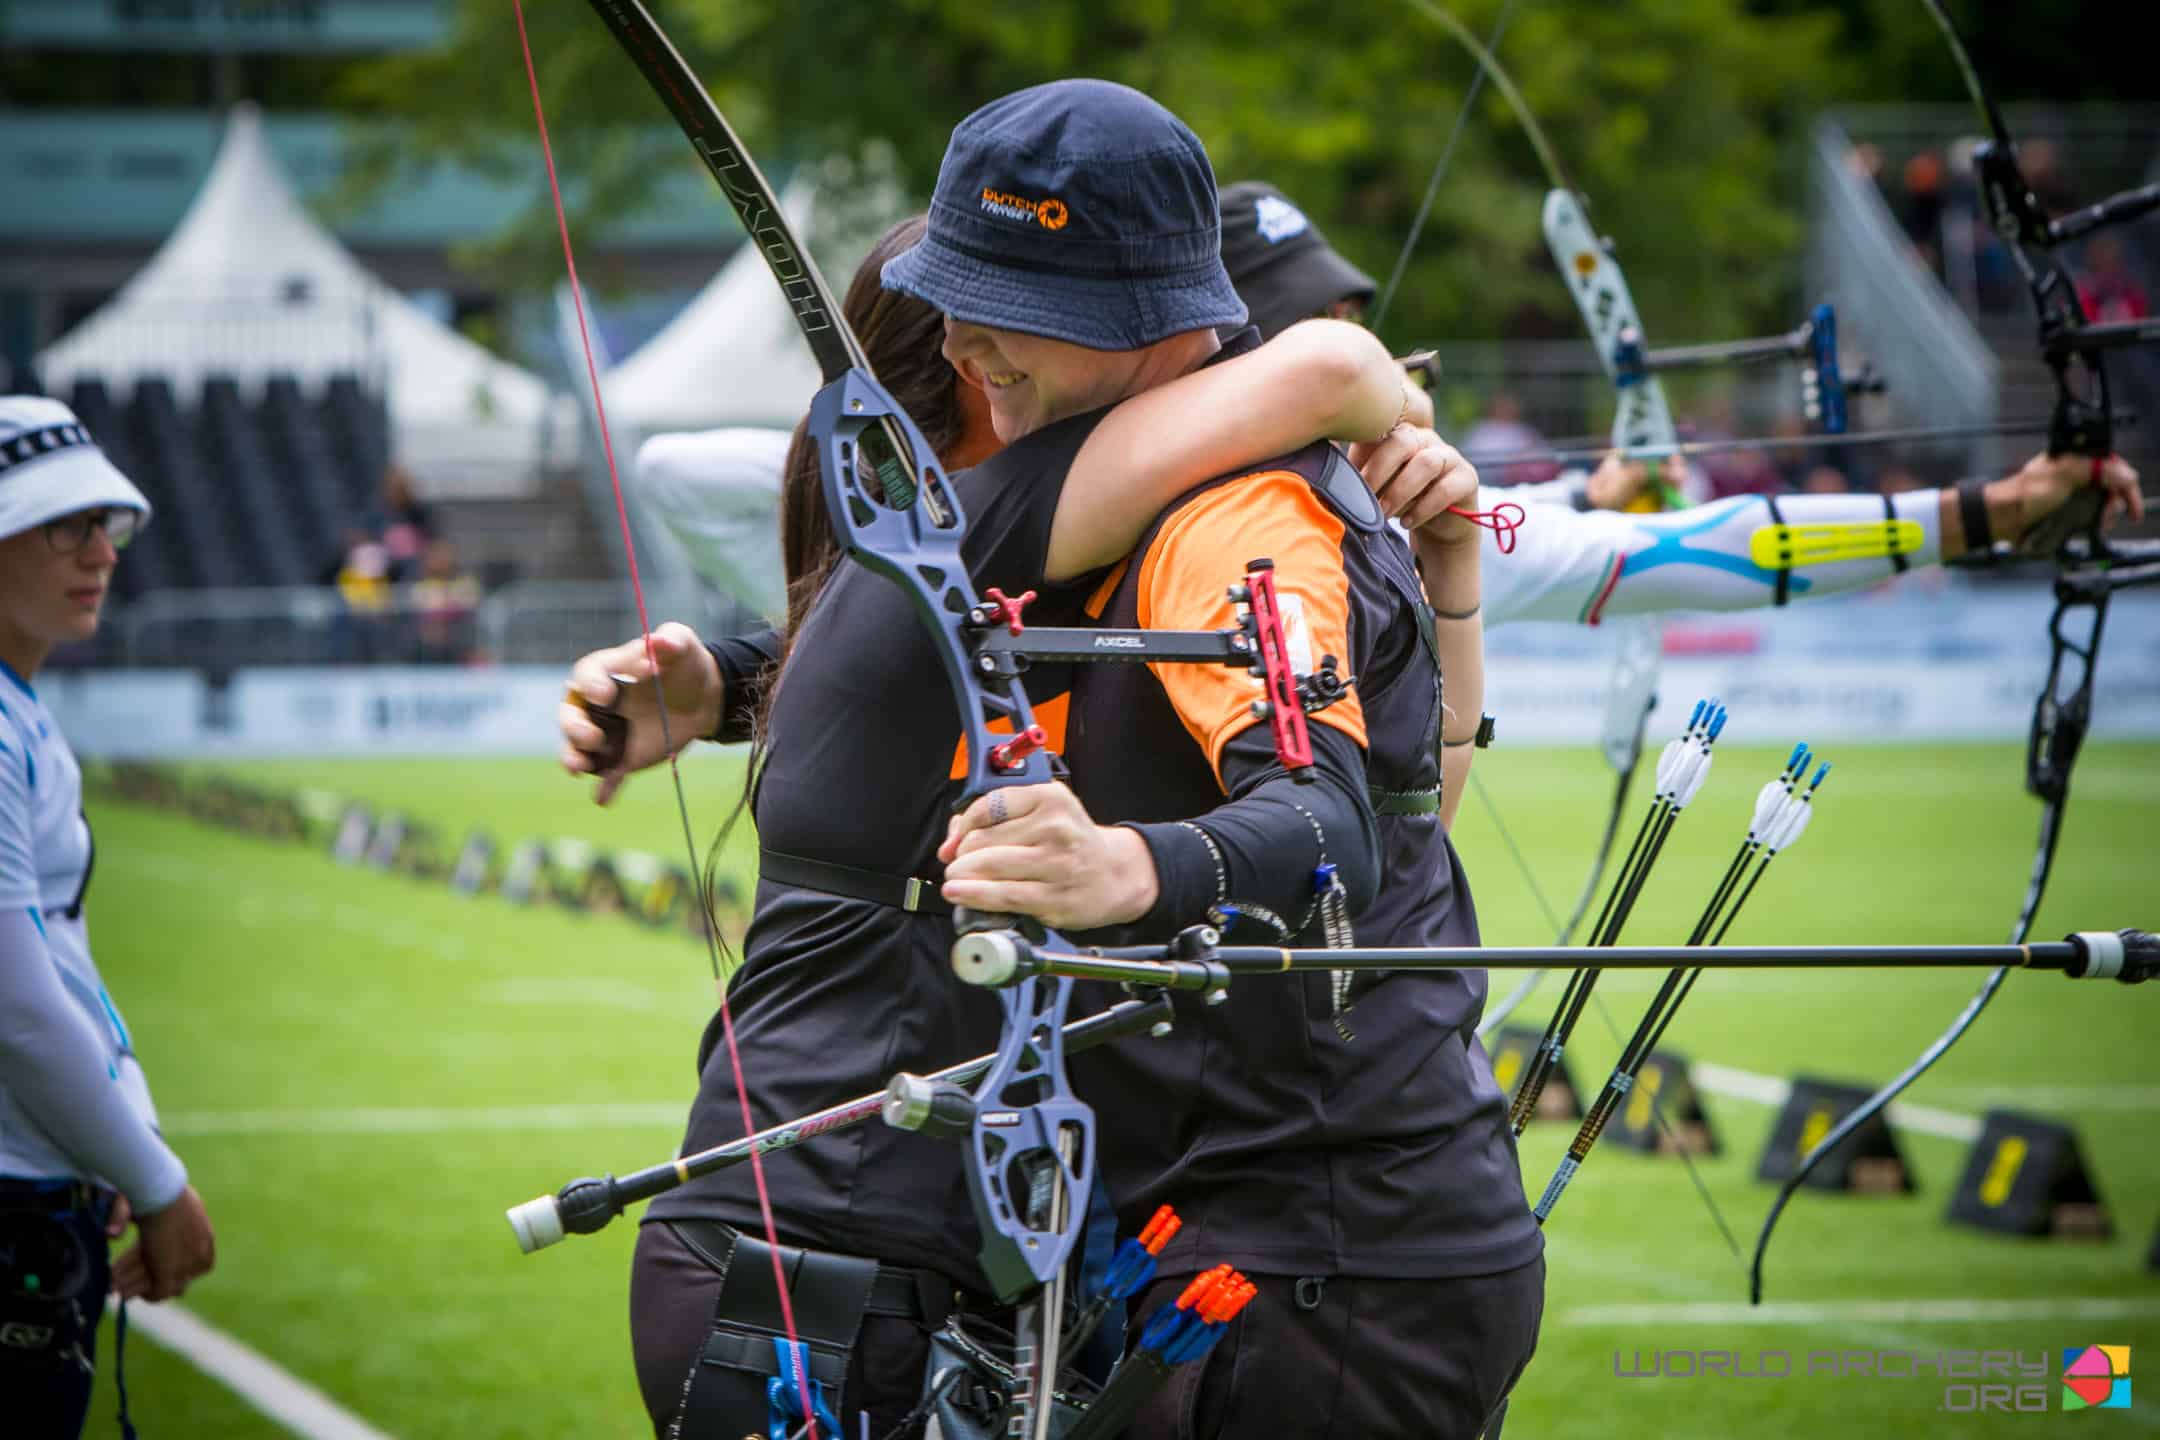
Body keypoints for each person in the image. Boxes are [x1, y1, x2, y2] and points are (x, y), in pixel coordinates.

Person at [567, 109, 1474, 1438]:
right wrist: (1378, 395)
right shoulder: (966, 531)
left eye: (1000, 325)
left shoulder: (941, 589)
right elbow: (1327, 363)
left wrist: (726, 684)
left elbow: (1383, 822)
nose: (973, 361)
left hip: (911, 1258)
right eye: (952, 342)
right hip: (816, 1260)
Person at [0, 396, 217, 1437]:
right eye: (62, 525)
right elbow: (17, 1004)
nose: (100, 551)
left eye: (107, 525)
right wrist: (157, 1179)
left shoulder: (19, 713)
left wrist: (124, 1136)